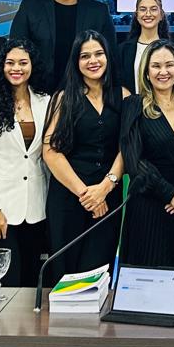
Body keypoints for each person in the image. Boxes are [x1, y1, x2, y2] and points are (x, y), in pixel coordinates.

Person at [42, 31, 128, 282]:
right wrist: (87, 195)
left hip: (108, 197)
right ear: (76, 61)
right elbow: (50, 151)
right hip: (69, 198)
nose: (93, 61)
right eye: (85, 56)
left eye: (99, 54)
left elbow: (127, 147)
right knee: (65, 274)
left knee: (99, 274)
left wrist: (105, 188)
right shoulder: (63, 98)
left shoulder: (123, 95)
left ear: (108, 57)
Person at [0, 38, 52, 286]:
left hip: (35, 208)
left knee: (31, 282)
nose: (16, 68)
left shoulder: (46, 101)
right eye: (10, 63)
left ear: (32, 66)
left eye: (23, 63)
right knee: (6, 281)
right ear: (1, 66)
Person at [119, 40, 174, 268]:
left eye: (169, 65)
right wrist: (170, 194)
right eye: (156, 66)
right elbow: (133, 160)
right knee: (149, 278)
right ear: (146, 72)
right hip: (149, 207)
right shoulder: (133, 105)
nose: (163, 71)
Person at [9, 0, 116, 92]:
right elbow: (16, 48)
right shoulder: (31, 7)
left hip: (86, 91)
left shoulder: (98, 11)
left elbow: (110, 53)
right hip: (39, 91)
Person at [116, 0, 170, 94]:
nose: (148, 14)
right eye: (143, 9)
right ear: (137, 15)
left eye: (153, 9)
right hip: (132, 103)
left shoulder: (171, 50)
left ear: (161, 15)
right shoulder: (123, 50)